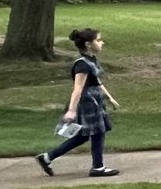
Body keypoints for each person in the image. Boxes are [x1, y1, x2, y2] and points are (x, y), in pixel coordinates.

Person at [35, 28, 121, 178]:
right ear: (88, 44)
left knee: (83, 135)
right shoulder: (82, 64)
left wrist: (109, 97)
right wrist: (71, 110)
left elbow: (96, 81)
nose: (102, 43)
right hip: (88, 102)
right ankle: (98, 167)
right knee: (97, 132)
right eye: (98, 40)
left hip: (96, 100)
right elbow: (78, 88)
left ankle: (47, 157)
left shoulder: (91, 60)